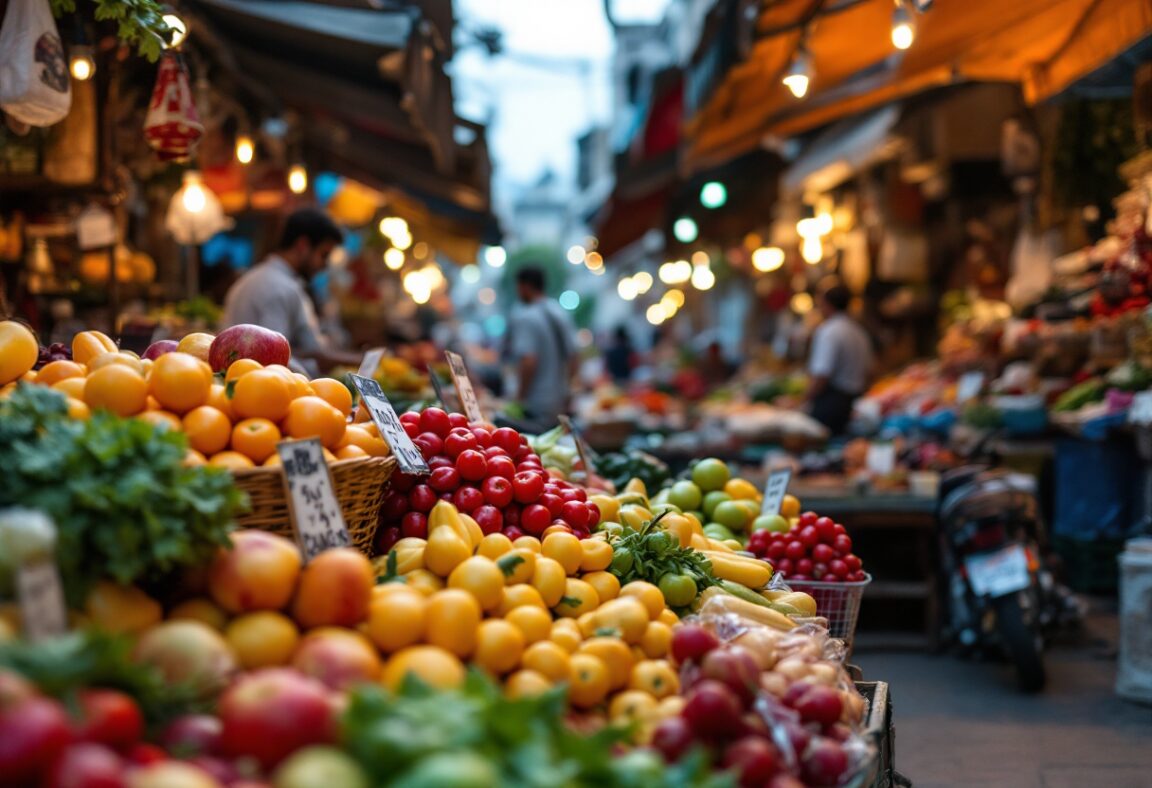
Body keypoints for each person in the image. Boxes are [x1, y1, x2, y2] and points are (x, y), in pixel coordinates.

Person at [222, 209, 360, 375]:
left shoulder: (253, 278)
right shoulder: (280, 289)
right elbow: (273, 359)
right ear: (302, 246)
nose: (325, 265)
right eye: (324, 255)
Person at [506, 266, 577, 431]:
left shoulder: (527, 316)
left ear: (524, 286)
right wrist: (567, 389)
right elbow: (574, 356)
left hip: (536, 403)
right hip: (558, 401)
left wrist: (519, 398)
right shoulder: (559, 312)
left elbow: (528, 360)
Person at [804, 283, 874, 435]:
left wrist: (805, 399)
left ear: (826, 304)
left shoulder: (829, 331)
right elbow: (869, 372)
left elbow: (822, 374)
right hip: (853, 402)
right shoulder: (859, 332)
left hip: (831, 404)